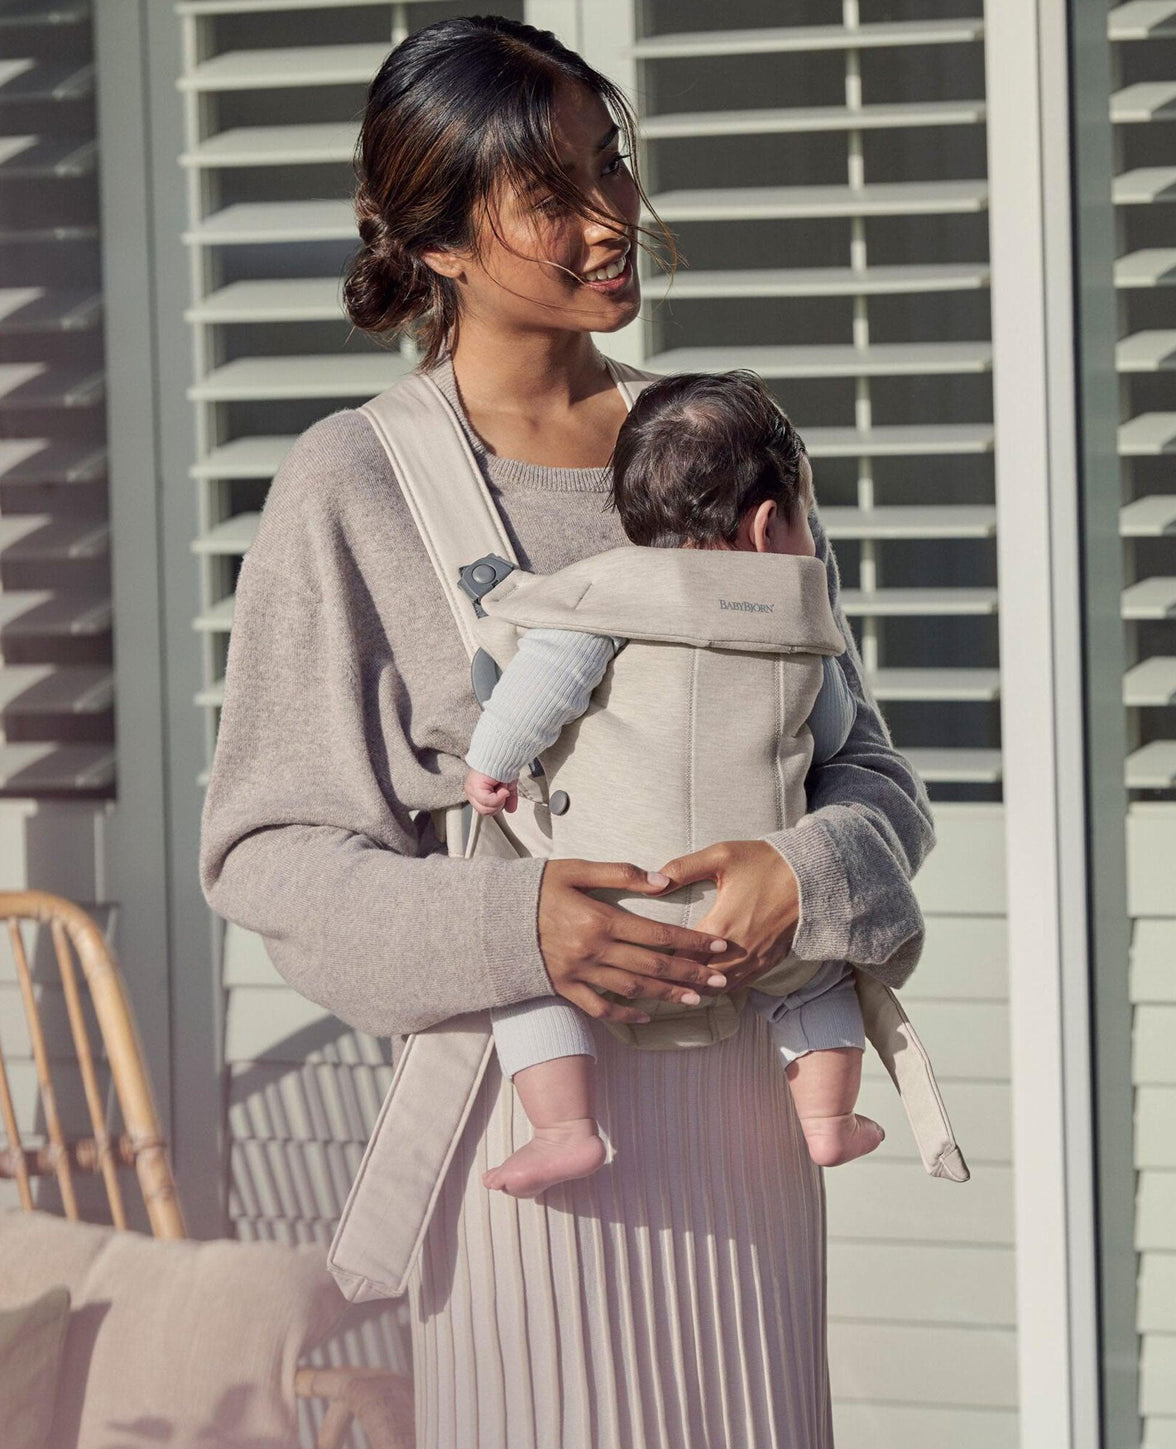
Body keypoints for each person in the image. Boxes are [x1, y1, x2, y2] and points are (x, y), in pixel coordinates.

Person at [199, 16, 935, 1448]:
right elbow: (267, 853)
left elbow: (867, 770)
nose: (612, 221)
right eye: (552, 197)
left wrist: (808, 869)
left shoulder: (726, 441)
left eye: (612, 166)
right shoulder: (353, 482)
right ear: (439, 244)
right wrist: (518, 926)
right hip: (525, 1133)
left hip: (754, 1124)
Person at [465, 371, 884, 1201]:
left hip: (620, 914)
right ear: (769, 525)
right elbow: (835, 735)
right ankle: (829, 1118)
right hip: (758, 919)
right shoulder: (800, 624)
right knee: (828, 974)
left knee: (524, 982)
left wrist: (493, 761)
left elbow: (541, 687)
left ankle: (564, 1129)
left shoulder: (606, 593)